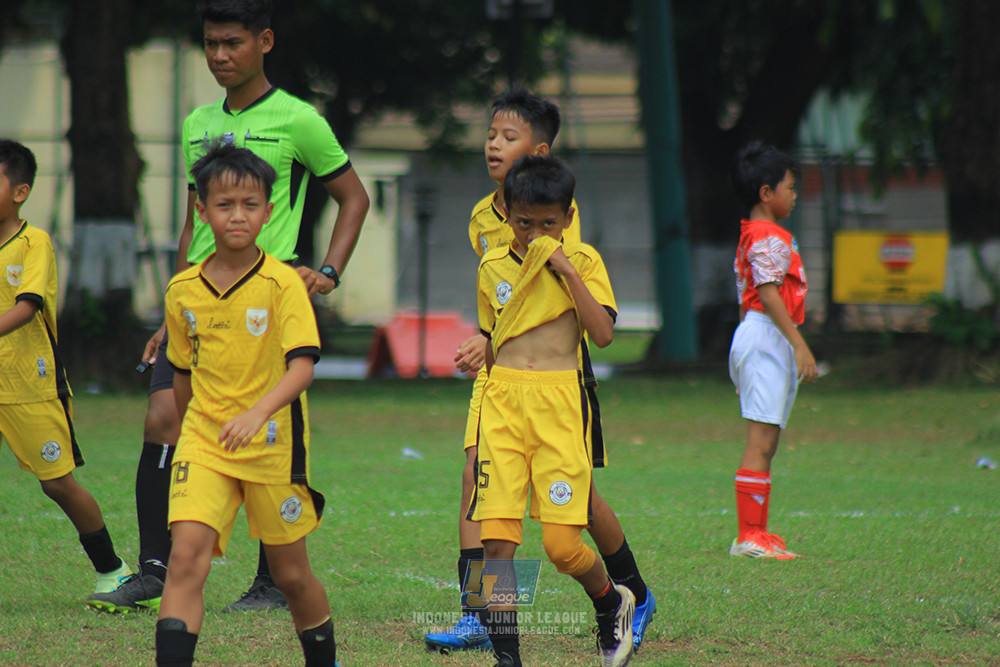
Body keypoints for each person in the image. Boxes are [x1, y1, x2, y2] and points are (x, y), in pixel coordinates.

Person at [87, 0, 369, 614]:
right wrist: (172, 309)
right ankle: (159, 567)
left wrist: (325, 273)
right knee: (164, 418)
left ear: (264, 41)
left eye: (232, 43)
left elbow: (353, 197)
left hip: (267, 305)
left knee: (268, 429)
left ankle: (274, 578)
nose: (219, 55)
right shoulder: (197, 122)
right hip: (200, 305)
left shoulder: (299, 120)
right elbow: (196, 225)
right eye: (211, 44)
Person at [425, 88, 654, 654]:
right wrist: (483, 342)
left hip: (561, 384)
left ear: (541, 152)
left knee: (575, 513)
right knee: (479, 496)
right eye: (491, 135)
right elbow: (500, 306)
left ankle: (630, 593)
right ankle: (484, 619)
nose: (495, 146)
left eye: (510, 137)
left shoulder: (561, 221)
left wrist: (554, 264)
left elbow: (590, 320)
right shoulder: (484, 221)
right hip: (500, 382)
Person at [154, 141, 336, 667]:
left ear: (268, 212)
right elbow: (184, 374)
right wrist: (197, 430)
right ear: (202, 211)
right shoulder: (183, 290)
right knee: (185, 559)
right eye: (225, 205)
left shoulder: (283, 284)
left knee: (292, 577)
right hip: (206, 444)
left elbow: (302, 365)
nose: (238, 216)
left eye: (250, 205)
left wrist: (257, 413)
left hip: (273, 447)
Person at [469, 154, 634, 667]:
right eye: (523, 222)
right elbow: (493, 338)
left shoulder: (583, 261)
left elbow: (603, 335)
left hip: (560, 406)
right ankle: (507, 659)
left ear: (566, 217)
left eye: (547, 223)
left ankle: (611, 602)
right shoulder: (492, 265)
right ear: (509, 215)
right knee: (496, 544)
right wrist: (475, 351)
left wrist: (563, 268)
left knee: (564, 548)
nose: (534, 232)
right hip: (502, 402)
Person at [0, 139, 131, 602]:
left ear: (20, 191)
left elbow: (27, 307)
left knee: (57, 483)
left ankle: (113, 571)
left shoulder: (34, 242)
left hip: (30, 384)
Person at [728, 141, 818, 559]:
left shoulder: (763, 232)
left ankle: (757, 532)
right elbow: (766, 291)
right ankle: (749, 536)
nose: (794, 194)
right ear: (766, 193)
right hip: (766, 335)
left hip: (764, 336)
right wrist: (799, 344)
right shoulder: (765, 235)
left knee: (768, 438)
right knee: (761, 438)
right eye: (789, 186)